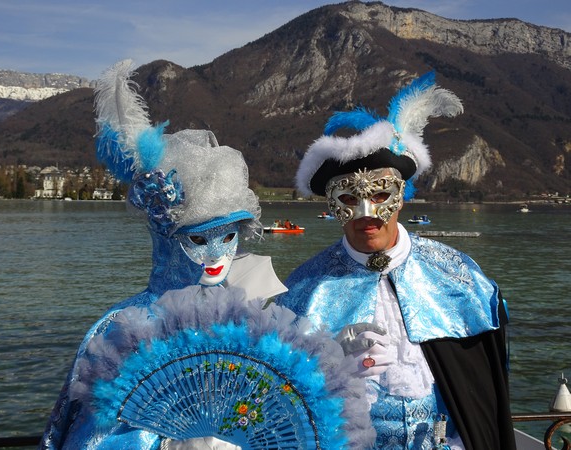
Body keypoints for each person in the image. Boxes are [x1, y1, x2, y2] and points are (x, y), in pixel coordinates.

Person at [40, 60, 373, 450]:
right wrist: (169, 444)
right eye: (199, 240)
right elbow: (90, 440)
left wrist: (332, 356)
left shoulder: (248, 318)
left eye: (228, 235)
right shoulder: (124, 329)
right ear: (168, 240)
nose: (217, 254)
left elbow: (282, 411)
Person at [275, 72, 516, 450]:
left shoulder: (458, 277)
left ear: (401, 197)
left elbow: (484, 390)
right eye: (349, 200)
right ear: (332, 205)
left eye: (380, 195)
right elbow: (280, 407)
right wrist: (326, 368)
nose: (366, 213)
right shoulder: (304, 291)